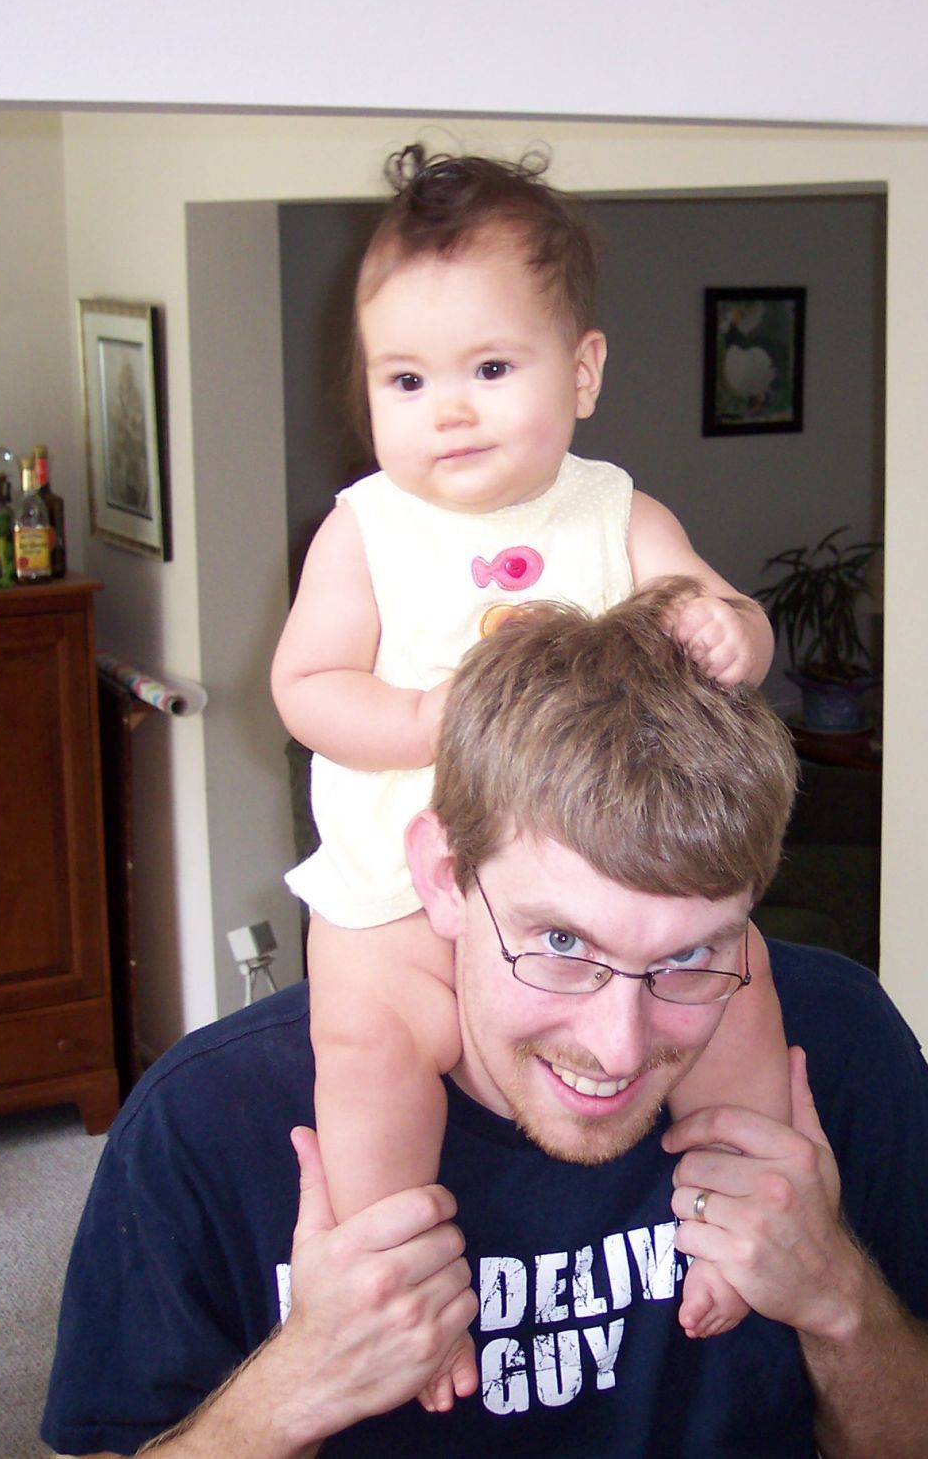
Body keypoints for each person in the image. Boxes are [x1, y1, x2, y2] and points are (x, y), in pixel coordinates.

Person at [43, 586, 928, 1457]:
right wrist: (297, 1386)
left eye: (689, 956)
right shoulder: (205, 1121)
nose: (618, 1046)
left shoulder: (837, 1036)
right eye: (562, 942)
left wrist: (836, 1296)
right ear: (442, 876)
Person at [268, 145, 784, 1393]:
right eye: (406, 379)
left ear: (583, 371)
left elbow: (724, 613)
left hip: (601, 887)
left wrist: (728, 631)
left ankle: (740, 1223)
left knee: (742, 989)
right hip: (394, 894)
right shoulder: (365, 529)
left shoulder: (616, 515)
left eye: (489, 370)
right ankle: (403, 1300)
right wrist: (427, 718)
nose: (447, 411)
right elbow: (306, 687)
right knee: (367, 1050)